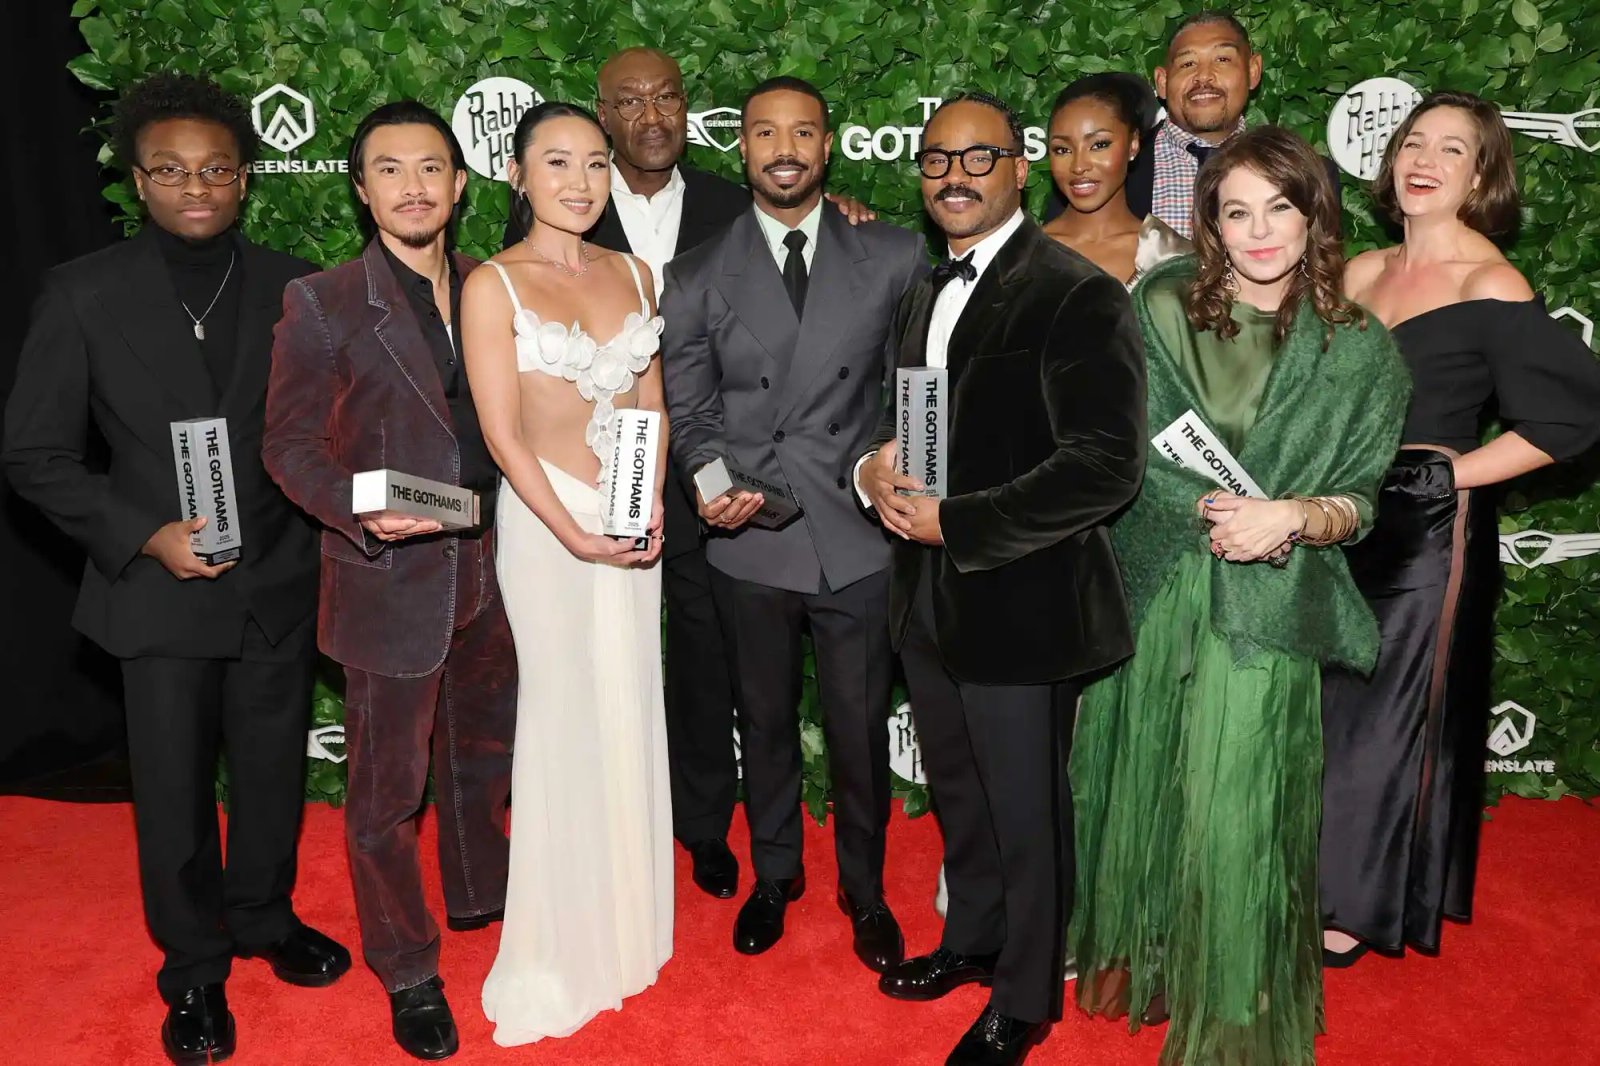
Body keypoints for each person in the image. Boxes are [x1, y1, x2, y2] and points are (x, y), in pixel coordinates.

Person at [2, 73, 349, 1064]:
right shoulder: (82, 292)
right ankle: (194, 967)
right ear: (140, 179)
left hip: (277, 579)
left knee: (275, 770)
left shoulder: (295, 287)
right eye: (170, 170)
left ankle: (264, 918)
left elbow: (322, 429)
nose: (194, 187)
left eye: (214, 169)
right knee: (172, 790)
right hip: (156, 590)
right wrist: (146, 532)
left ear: (243, 179)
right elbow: (34, 455)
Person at [1068, 126, 1410, 1066]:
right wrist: (1210, 510)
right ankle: (1145, 962)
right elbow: (1118, 437)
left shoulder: (1360, 350)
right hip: (1157, 581)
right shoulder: (1160, 304)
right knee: (1144, 778)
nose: (1260, 232)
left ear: (1314, 217)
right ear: (1209, 223)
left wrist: (1292, 515)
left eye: (1280, 208)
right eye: (1236, 211)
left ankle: (1233, 1008)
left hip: (1267, 601)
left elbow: (1361, 503)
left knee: (1238, 803)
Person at [503, 49, 876, 901]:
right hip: (599, 487)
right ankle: (604, 834)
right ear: (602, 114)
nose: (651, 112)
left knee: (711, 666)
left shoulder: (735, 199)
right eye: (628, 100)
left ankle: (706, 828)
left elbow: (810, 251)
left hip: (728, 489)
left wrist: (846, 215)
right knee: (602, 668)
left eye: (666, 95)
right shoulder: (566, 215)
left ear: (687, 106)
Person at [861, 92, 1147, 1066]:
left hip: (1023, 597)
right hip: (926, 594)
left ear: (1018, 167)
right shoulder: (924, 286)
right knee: (963, 792)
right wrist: (872, 472)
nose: (954, 175)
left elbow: (1107, 463)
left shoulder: (1074, 291)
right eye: (937, 158)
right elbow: (908, 422)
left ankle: (1025, 996)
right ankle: (974, 940)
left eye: (977, 158)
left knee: (1027, 809)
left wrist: (960, 520)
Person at [1320, 91, 1600, 966]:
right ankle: (1307, 870)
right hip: (1337, 515)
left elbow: (1571, 419)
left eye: (1452, 149)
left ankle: (1356, 903)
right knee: (1326, 701)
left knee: (1389, 713)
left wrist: (1446, 473)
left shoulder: (1491, 282)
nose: (1424, 160)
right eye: (1413, 143)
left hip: (1428, 534)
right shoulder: (1359, 271)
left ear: (1481, 176)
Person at [263, 102, 516, 1061]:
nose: (414, 186)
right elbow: (286, 444)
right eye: (389, 169)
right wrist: (358, 509)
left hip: (497, 567)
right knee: (383, 797)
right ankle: (408, 970)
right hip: (388, 575)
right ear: (362, 188)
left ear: (459, 184)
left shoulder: (493, 286)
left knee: (483, 760)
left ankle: (478, 904)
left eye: (431, 168)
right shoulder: (324, 301)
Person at [663, 76, 925, 973]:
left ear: (828, 145)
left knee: (857, 733)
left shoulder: (892, 255)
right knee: (762, 723)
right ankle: (775, 876)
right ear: (741, 147)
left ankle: (865, 888)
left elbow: (911, 392)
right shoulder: (696, 273)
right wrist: (708, 487)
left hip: (858, 535)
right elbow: (691, 414)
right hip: (751, 534)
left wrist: (898, 468)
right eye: (766, 132)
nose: (784, 148)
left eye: (803, 132)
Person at [470, 101, 672, 1045]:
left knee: (628, 706)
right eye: (557, 163)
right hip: (548, 530)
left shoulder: (635, 271)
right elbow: (504, 438)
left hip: (630, 529)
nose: (581, 182)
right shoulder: (491, 288)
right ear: (517, 175)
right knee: (560, 720)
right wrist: (576, 534)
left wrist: (649, 501)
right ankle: (558, 945)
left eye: (595, 163)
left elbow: (651, 407)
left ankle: (629, 923)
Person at [1042, 72, 1191, 285]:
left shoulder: (1173, 257)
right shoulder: (1019, 256)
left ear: (1133, 145)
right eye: (1062, 149)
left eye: (1099, 145)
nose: (1079, 166)